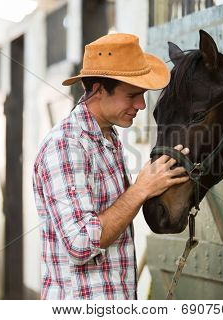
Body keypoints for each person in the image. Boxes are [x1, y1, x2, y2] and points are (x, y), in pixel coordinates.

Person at [32, 33, 190, 299]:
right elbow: (80, 243)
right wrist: (140, 190)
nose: (140, 105)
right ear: (98, 89)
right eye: (132, 95)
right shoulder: (66, 146)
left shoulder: (107, 138)